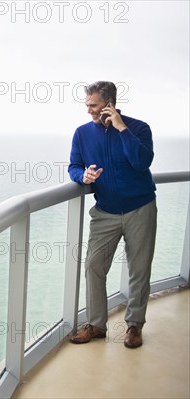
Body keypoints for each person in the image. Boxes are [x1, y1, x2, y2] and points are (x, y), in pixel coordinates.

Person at [68, 81, 157, 348]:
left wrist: (121, 128)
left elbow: (142, 161)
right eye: (87, 105)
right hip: (105, 212)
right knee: (94, 266)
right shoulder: (82, 134)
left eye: (93, 105)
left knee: (139, 269)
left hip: (140, 209)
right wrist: (82, 176)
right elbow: (74, 165)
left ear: (109, 104)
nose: (89, 111)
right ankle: (96, 324)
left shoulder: (139, 128)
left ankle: (134, 326)